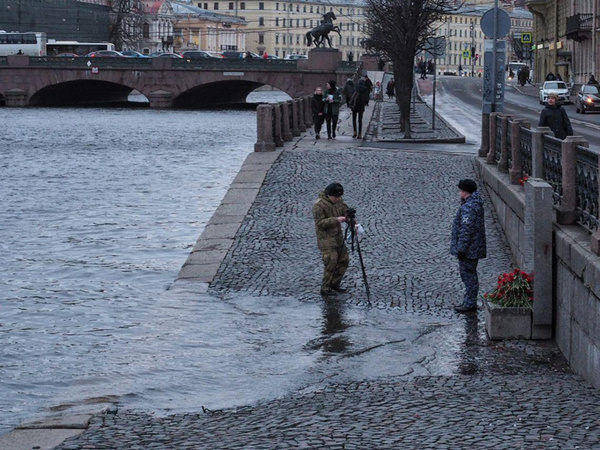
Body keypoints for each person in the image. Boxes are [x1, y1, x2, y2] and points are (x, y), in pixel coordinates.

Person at [450, 179, 487, 313]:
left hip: (470, 250)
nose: (459, 193)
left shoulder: (469, 208)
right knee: (470, 274)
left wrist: (461, 249)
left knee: (468, 275)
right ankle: (469, 301)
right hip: (474, 248)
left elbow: (466, 230)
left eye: (461, 190)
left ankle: (470, 302)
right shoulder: (475, 204)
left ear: (466, 192)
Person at [313, 182, 349, 296]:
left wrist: (352, 221)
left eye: (339, 197)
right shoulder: (319, 206)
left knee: (344, 260)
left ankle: (335, 283)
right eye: (335, 197)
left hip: (338, 238)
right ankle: (325, 287)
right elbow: (320, 223)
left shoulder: (339, 202)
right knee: (331, 261)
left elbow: (346, 212)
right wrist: (336, 220)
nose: (337, 199)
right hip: (326, 239)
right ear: (329, 195)